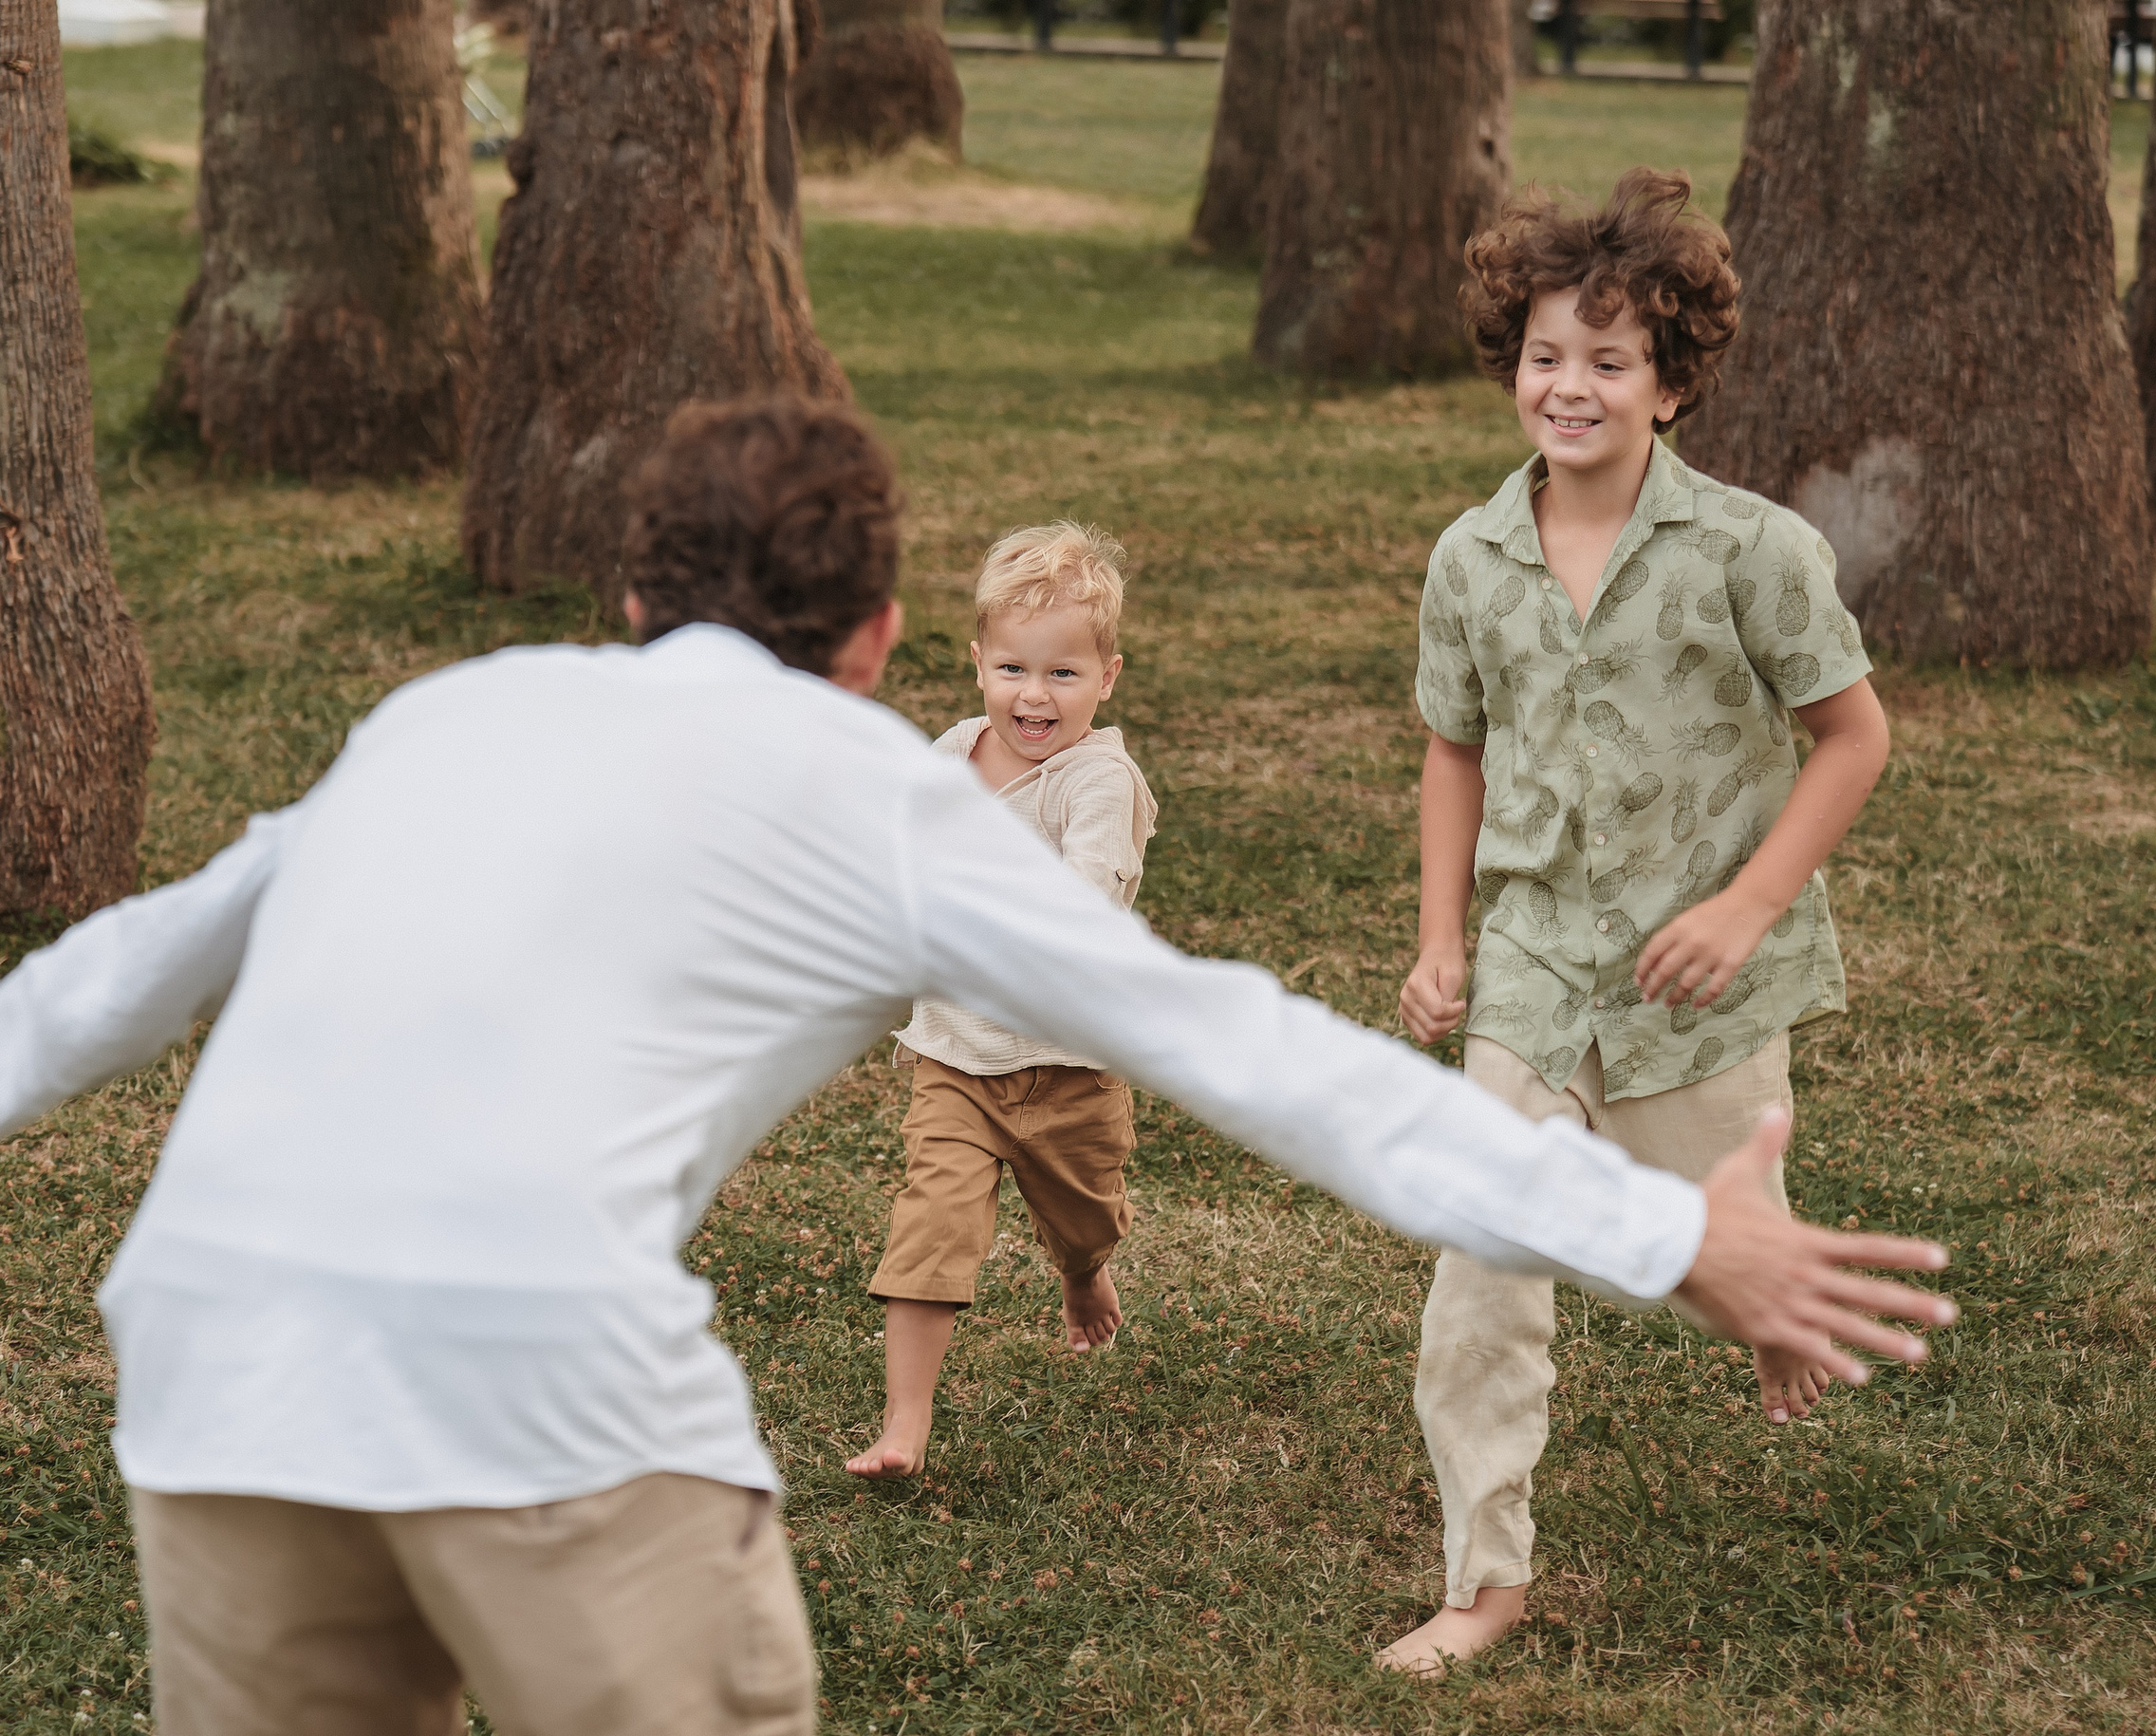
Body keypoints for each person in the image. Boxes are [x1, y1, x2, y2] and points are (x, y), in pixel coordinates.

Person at [0, 395, 1949, 1735]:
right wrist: (1651, 1226)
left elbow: (103, 981)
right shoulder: (885, 794)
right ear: (878, 636)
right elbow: (1242, 1048)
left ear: (622, 601)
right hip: (547, 1395)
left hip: (207, 1370)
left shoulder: (440, 716)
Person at [1379, 169, 1894, 1677]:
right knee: (1479, 1272)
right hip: (1536, 970)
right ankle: (1488, 1576)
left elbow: (1853, 737)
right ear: (1509, 365)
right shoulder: (1469, 561)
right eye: (1546, 354)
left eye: (1609, 360)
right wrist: (1442, 939)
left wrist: (1745, 906)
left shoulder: (1754, 553)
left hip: (1697, 990)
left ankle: (1776, 1299)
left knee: (1725, 1247)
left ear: (1672, 384)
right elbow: (1451, 749)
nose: (1571, 384)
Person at [847, 522, 1157, 1481]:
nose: (1034, 694)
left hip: (1069, 1064)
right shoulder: (948, 756)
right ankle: (904, 1423)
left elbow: (1087, 892)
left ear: (1107, 676)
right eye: (1014, 667)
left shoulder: (1097, 780)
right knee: (931, 1222)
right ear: (978, 662)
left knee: (1086, 1211)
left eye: (1063, 673)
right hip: (956, 1058)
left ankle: (1081, 1270)